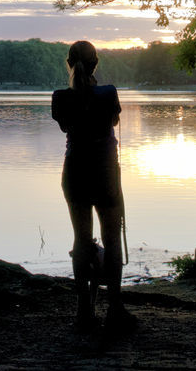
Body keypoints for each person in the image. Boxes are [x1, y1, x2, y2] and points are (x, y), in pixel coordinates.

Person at [52, 40, 136, 332]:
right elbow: (112, 121)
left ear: (69, 63)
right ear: (95, 64)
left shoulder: (60, 98)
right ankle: (115, 308)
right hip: (105, 172)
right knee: (112, 240)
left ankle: (83, 312)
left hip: (74, 171)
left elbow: (66, 127)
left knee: (81, 239)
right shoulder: (109, 93)